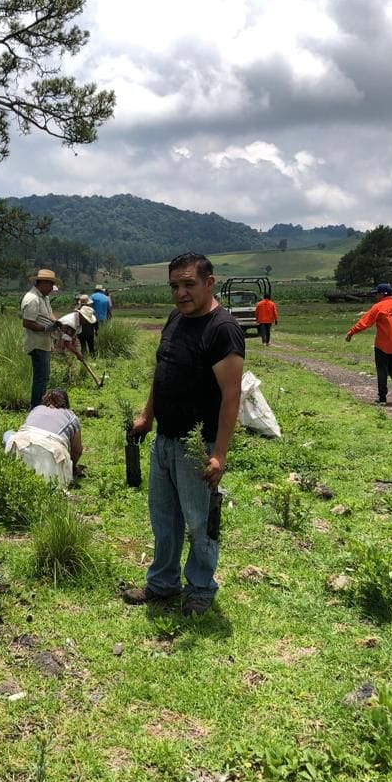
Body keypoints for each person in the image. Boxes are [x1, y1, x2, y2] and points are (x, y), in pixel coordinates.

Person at [121, 252, 244, 615]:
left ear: (209, 282)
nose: (180, 293)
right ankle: (163, 584)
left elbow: (231, 396)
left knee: (199, 523)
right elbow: (164, 371)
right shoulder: (176, 318)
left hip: (197, 446)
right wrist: (147, 416)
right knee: (164, 519)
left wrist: (219, 453)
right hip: (165, 441)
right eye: (175, 285)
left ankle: (201, 589)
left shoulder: (222, 330)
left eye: (189, 284)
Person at [4, 388, 82, 485]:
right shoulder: (71, 416)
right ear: (65, 403)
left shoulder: (37, 409)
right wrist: (72, 467)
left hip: (22, 442)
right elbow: (77, 450)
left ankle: (10, 462)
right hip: (51, 450)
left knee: (8, 434)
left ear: (45, 400)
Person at [345, 283, 392, 405]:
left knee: (382, 370)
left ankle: (382, 398)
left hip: (382, 345)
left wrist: (351, 332)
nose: (375, 296)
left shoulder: (378, 307)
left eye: (376, 293)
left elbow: (364, 322)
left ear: (382, 293)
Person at [21, 268, 59, 408]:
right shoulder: (32, 299)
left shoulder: (44, 298)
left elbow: (49, 314)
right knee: (40, 378)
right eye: (50, 285)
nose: (51, 289)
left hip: (45, 342)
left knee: (44, 377)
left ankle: (40, 405)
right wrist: (45, 328)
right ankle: (36, 407)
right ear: (42, 283)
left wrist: (56, 322)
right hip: (37, 344)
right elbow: (27, 322)